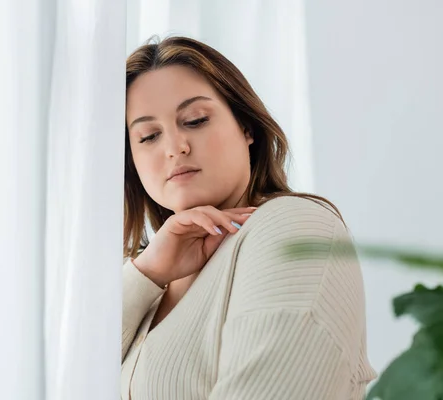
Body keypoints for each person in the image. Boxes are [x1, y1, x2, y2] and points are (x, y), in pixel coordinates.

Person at [121, 35, 377, 400]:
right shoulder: (149, 275)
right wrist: (148, 273)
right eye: (148, 136)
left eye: (195, 120)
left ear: (247, 128)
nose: (175, 147)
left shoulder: (294, 229)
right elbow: (66, 376)